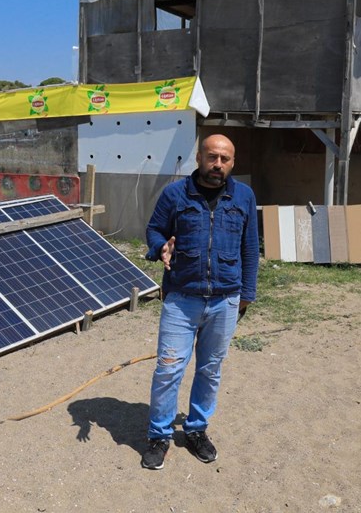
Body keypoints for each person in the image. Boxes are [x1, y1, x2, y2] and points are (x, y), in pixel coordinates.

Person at [140, 133, 259, 470]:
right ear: (199, 157)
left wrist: (246, 295)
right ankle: (159, 435)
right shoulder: (175, 194)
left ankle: (196, 430)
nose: (217, 164)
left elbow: (250, 248)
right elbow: (153, 230)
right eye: (211, 157)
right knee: (168, 368)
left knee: (210, 370)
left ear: (233, 163)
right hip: (181, 298)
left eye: (224, 159)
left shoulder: (244, 196)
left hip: (226, 299)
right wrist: (159, 247)